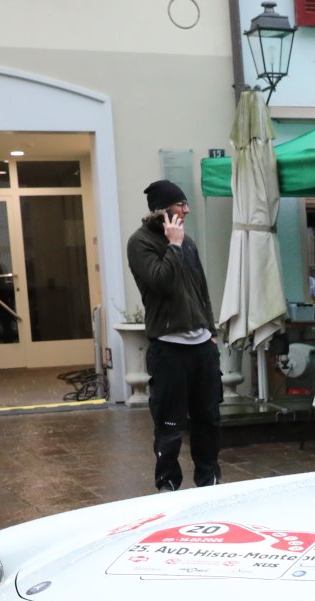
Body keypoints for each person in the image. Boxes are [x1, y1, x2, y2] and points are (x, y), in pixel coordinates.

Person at [126, 179, 222, 490]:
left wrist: (211, 332)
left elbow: (201, 291)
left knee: (208, 419)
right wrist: (174, 246)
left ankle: (209, 480)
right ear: (163, 211)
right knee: (169, 423)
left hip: (202, 347)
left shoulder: (189, 242)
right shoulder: (140, 243)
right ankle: (168, 484)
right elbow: (161, 282)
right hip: (169, 349)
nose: (187, 210)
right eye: (181, 205)